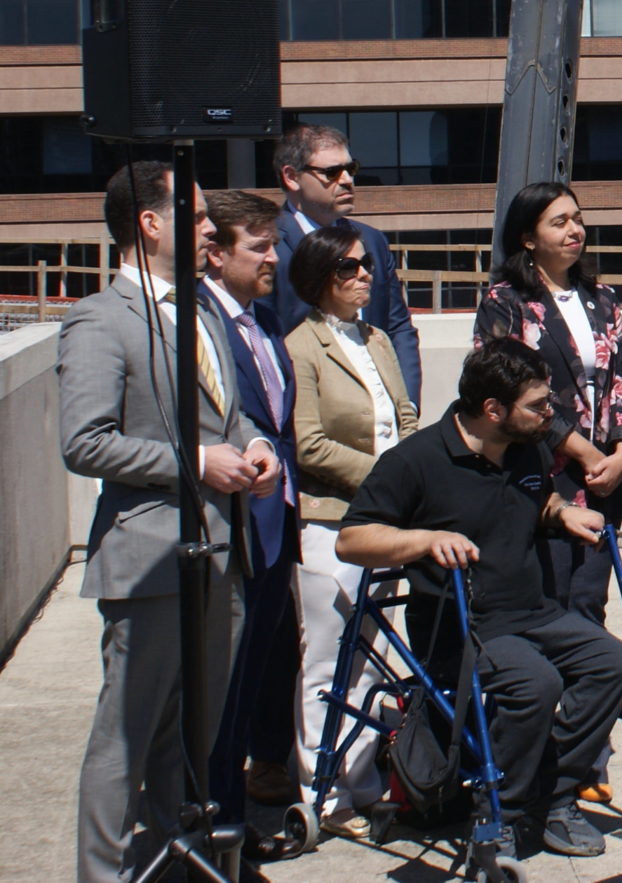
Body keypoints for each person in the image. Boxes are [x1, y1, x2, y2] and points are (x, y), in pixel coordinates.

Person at [62, 162, 281, 883]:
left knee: (190, 737)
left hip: (223, 553)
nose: (211, 227)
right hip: (151, 557)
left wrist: (254, 445)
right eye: (196, 215)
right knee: (126, 737)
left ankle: (167, 864)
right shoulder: (101, 318)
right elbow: (85, 441)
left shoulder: (205, 312)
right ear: (150, 223)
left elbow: (226, 414)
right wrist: (197, 462)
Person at [337, 340, 622, 859]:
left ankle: (554, 794)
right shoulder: (416, 460)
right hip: (461, 624)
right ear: (493, 409)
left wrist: (561, 511)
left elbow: (533, 498)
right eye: (537, 405)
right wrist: (425, 540)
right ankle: (503, 813)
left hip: (533, 611)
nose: (551, 414)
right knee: (535, 683)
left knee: (615, 662)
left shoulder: (527, 446)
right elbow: (352, 539)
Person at [473, 181, 622, 802]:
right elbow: (507, 384)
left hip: (603, 479)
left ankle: (586, 757)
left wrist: (621, 450)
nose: (574, 231)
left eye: (577, 219)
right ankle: (534, 757)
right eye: (558, 222)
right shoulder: (504, 301)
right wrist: (583, 450)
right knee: (544, 612)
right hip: (541, 477)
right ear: (527, 236)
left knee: (588, 611)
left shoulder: (602, 299)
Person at [283, 224, 420, 840]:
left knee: (373, 659)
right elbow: (308, 443)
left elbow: (405, 416)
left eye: (365, 266)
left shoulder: (376, 338)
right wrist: (387, 478)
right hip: (330, 522)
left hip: (387, 520)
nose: (364, 275)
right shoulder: (300, 346)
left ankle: (363, 784)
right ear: (320, 278)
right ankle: (325, 794)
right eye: (348, 268)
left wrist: (412, 475)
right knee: (328, 658)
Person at [200, 190, 303, 832]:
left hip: (276, 522)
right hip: (231, 529)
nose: (273, 259)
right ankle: (220, 829)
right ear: (217, 253)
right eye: (259, 247)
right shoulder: (197, 324)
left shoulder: (263, 319)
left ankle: (243, 822)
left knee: (263, 670)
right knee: (227, 688)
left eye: (274, 245)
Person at [268, 124, 422, 407]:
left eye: (351, 169)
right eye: (332, 172)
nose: (347, 180)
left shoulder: (372, 241)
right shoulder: (268, 247)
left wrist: (407, 404)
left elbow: (398, 327)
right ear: (291, 177)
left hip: (383, 411)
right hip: (308, 413)